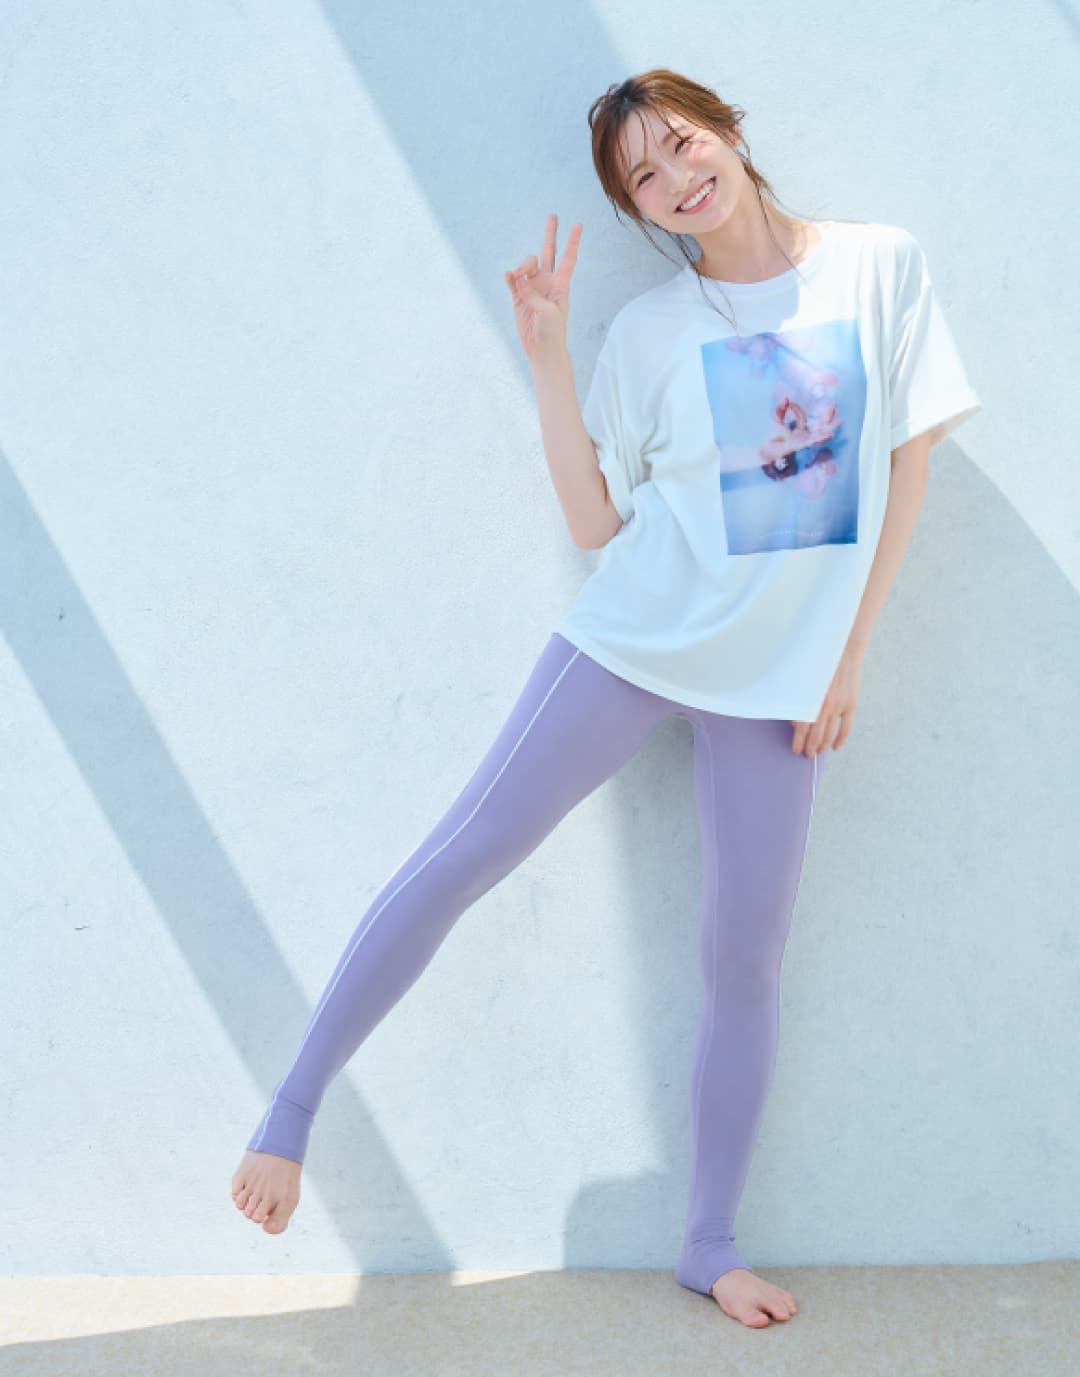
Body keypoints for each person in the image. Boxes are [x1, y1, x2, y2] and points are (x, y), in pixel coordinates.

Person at [230, 68, 982, 1329]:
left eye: (684, 143)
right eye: (645, 175)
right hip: (632, 642)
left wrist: (848, 654)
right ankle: (288, 1115)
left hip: (780, 685)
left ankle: (710, 1244)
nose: (678, 176)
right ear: (637, 210)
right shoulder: (649, 333)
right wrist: (547, 355)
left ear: (729, 131)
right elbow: (595, 523)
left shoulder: (877, 266)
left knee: (745, 955)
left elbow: (907, 461)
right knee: (463, 856)